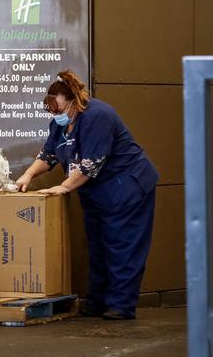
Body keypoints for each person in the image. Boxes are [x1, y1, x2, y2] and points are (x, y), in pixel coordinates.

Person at [15, 70, 159, 320]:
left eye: (59, 109)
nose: (55, 115)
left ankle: (121, 305)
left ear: (73, 101)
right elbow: (48, 155)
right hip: (97, 192)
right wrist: (28, 175)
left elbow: (92, 163)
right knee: (97, 246)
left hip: (126, 186)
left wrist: (65, 187)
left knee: (122, 246)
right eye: (52, 111)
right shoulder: (60, 123)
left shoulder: (97, 116)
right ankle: (98, 299)